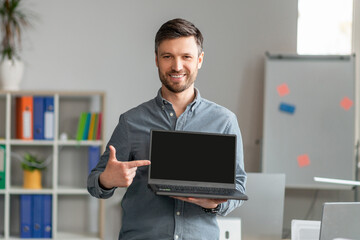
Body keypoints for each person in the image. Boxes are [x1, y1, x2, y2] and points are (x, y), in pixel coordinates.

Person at [87, 18, 247, 240]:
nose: (177, 66)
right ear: (156, 60)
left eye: (186, 57)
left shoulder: (224, 121)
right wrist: (107, 179)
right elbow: (95, 184)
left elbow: (238, 185)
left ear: (200, 60)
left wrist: (213, 204)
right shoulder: (131, 121)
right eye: (167, 56)